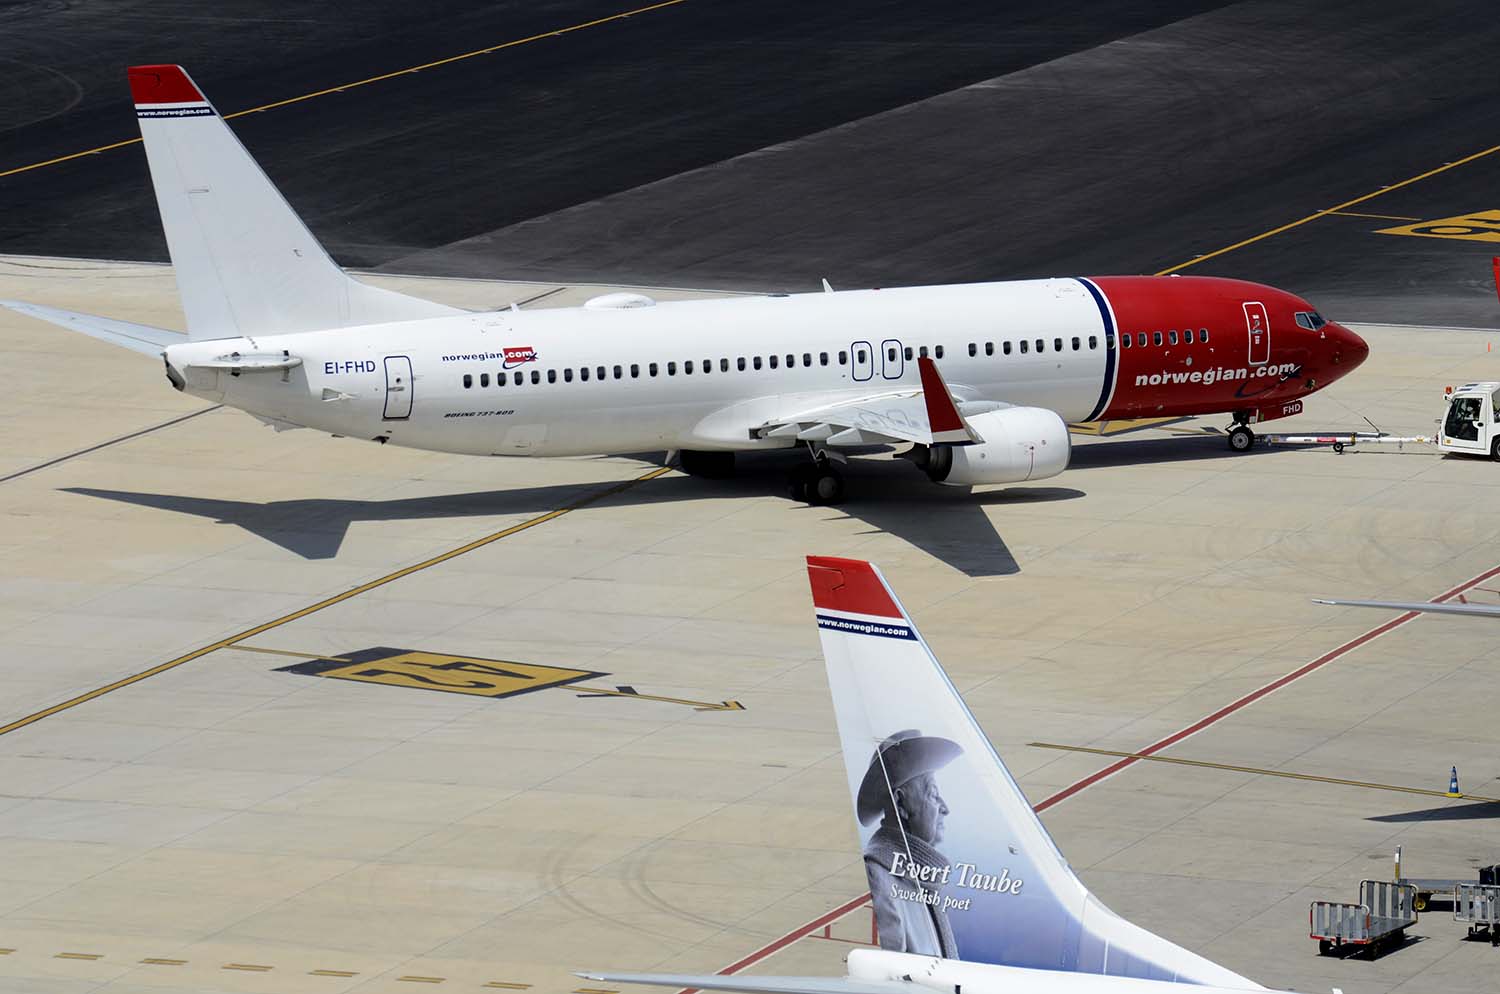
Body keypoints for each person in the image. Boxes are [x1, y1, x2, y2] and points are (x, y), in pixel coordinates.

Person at [857, 729, 963, 958]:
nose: (944, 807)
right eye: (933, 794)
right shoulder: (881, 875)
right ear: (900, 802)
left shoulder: (918, 875)